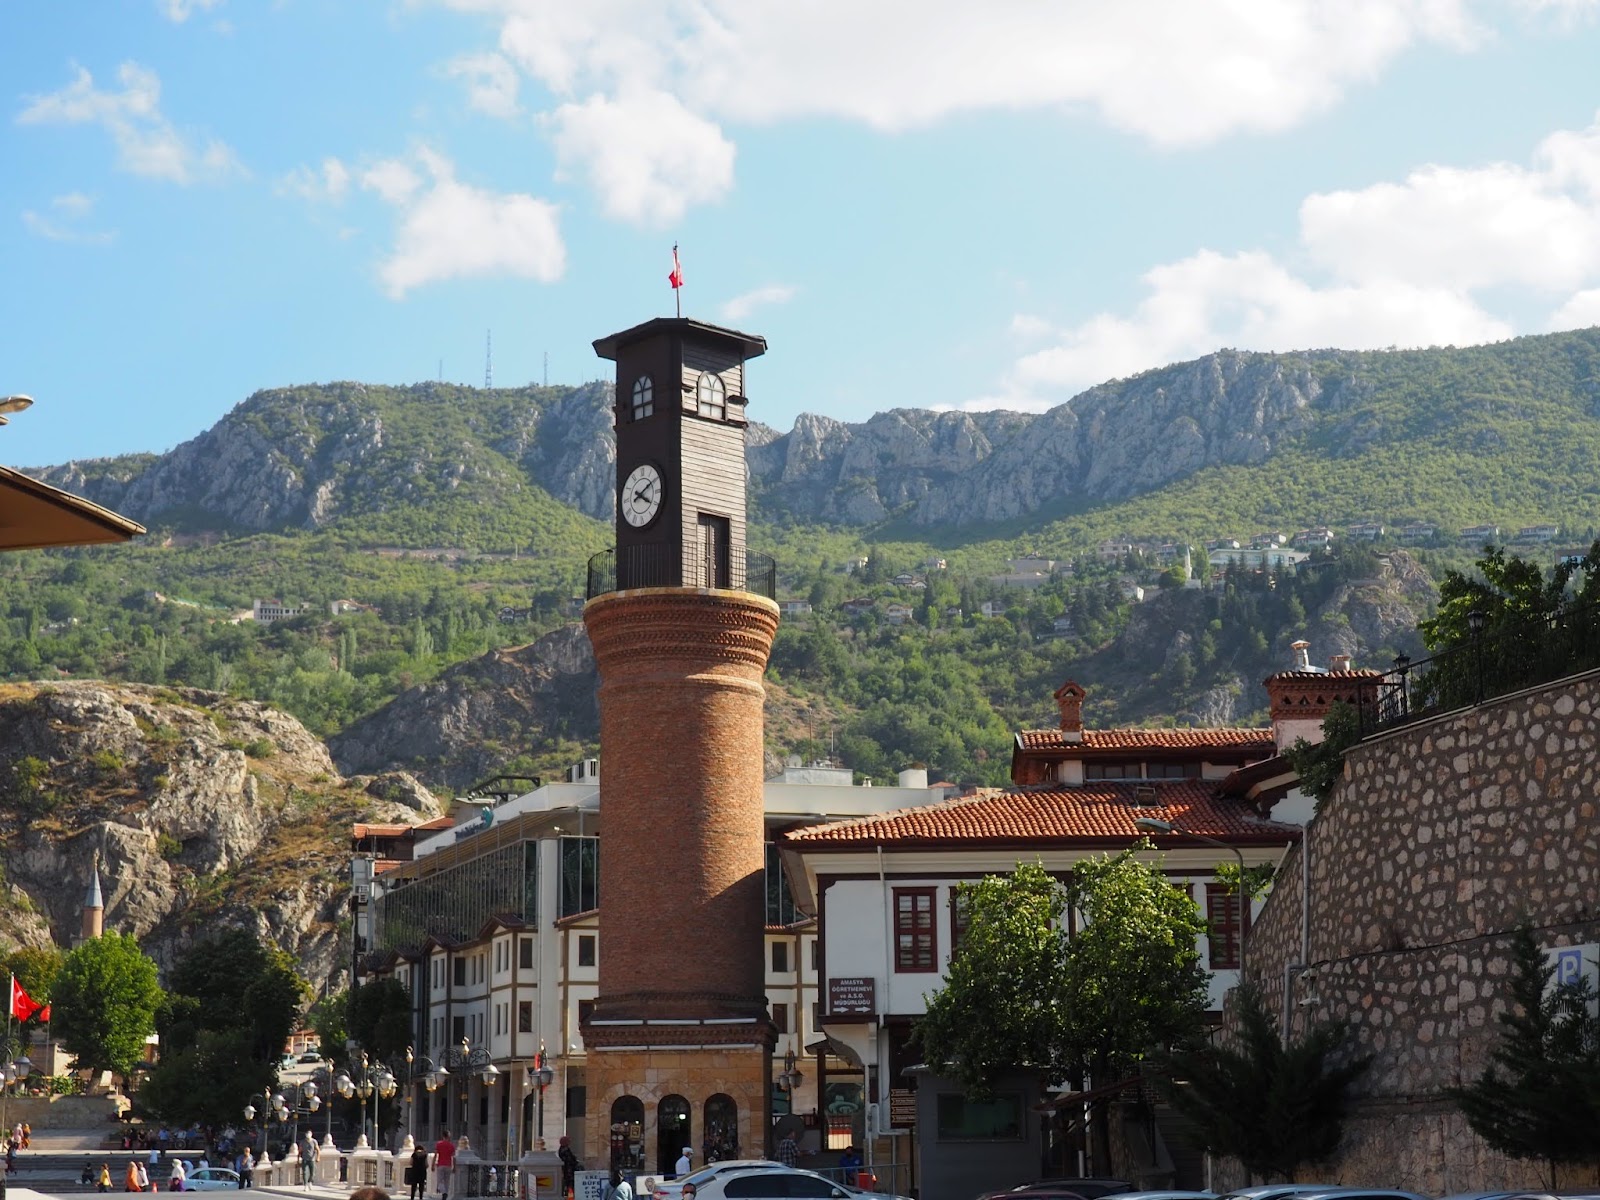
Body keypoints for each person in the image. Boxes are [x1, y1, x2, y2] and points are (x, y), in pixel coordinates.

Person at [433, 1130, 455, 1200]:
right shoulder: (451, 1145)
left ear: (443, 1136)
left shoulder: (439, 1144)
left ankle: (442, 1191)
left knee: (440, 1180)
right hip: (448, 1165)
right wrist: (454, 1167)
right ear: (448, 1136)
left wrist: (433, 1164)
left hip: (440, 1164)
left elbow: (435, 1155)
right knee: (447, 1181)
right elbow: (454, 1157)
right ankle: (445, 1194)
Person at [557, 1135, 580, 1200]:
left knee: (569, 1185)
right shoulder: (565, 1150)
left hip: (567, 1171)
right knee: (570, 1186)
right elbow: (570, 1160)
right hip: (568, 1171)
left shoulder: (563, 1149)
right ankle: (570, 1198)